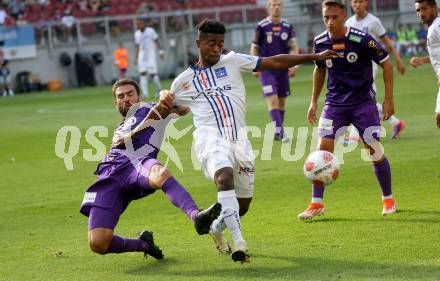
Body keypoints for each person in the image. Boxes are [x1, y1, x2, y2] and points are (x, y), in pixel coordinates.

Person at [155, 20, 337, 262]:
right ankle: (240, 243)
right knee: (224, 177)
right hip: (210, 139)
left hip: (240, 141)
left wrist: (314, 56)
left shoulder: (232, 61)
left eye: (220, 43)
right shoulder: (183, 82)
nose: (216, 49)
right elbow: (172, 110)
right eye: (211, 43)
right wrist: (164, 98)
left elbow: (274, 62)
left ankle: (215, 228)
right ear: (198, 43)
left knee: (242, 206)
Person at [79, 78, 222, 259]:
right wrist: (152, 118)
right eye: (120, 96)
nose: (126, 99)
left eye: (130, 94)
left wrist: (165, 96)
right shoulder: (121, 126)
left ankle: (197, 217)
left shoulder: (150, 108)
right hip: (109, 176)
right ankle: (144, 244)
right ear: (115, 103)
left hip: (137, 164)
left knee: (160, 174)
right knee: (98, 243)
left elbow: (181, 108)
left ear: (139, 96)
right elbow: (123, 140)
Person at [298, 0, 397, 220]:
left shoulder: (361, 39)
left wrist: (388, 100)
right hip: (334, 105)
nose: (330, 22)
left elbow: (387, 64)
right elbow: (319, 70)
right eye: (326, 17)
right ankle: (316, 204)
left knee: (373, 150)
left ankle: (388, 198)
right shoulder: (320, 41)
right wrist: (313, 101)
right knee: (322, 150)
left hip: (363, 103)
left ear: (344, 16)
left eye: (334, 17)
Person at [345, 0, 406, 140]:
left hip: (369, 63)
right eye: (354, 2)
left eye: (360, 1)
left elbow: (386, 42)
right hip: (354, 65)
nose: (357, 4)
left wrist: (398, 59)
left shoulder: (373, 21)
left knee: (365, 95)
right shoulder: (349, 22)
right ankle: (395, 123)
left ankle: (357, 134)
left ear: (365, 3)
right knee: (363, 97)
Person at [250, 0, 299, 142]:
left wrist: (294, 66)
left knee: (282, 101)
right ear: (269, 8)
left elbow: (294, 46)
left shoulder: (288, 26)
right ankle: (281, 132)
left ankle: (278, 131)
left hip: (283, 70)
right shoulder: (261, 26)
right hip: (267, 69)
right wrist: (255, 65)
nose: (276, 7)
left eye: (278, 5)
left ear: (282, 8)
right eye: (273, 5)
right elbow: (254, 47)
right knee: (272, 99)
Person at [410, 0, 440, 128]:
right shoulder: (433, 28)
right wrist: (423, 60)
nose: (421, 13)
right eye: (418, 10)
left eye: (424, 9)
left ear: (434, 8)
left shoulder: (436, 28)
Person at [134, 18, 164, 99]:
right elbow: (137, 46)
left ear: (145, 24)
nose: (140, 25)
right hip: (142, 56)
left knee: (152, 74)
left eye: (141, 24)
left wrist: (161, 52)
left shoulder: (150, 31)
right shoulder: (136, 34)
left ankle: (159, 90)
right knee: (142, 73)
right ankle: (145, 93)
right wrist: (136, 57)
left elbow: (157, 40)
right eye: (138, 24)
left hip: (151, 56)